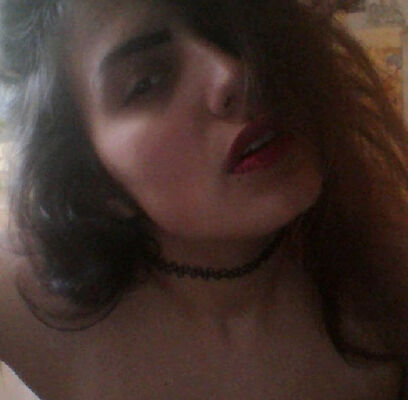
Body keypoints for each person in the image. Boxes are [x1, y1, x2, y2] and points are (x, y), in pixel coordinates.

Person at [0, 0, 407, 398]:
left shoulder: (389, 271)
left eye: (231, 31)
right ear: (91, 179)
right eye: (146, 81)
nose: (234, 72)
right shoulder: (26, 301)